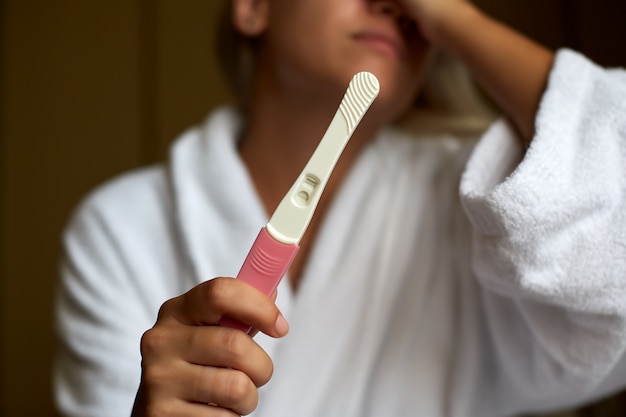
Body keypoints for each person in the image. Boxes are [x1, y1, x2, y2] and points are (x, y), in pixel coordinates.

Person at [54, 0, 626, 416]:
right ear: (253, 7)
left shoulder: (486, 204)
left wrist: (458, 20)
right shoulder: (118, 228)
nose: (395, 7)